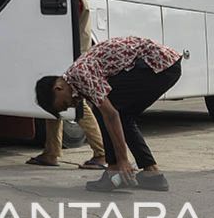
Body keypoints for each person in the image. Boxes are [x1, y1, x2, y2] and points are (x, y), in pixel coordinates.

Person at [35, 35, 182, 192]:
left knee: (110, 111)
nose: (71, 106)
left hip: (157, 63)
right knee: (122, 115)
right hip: (163, 65)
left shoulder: (79, 75)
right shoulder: (77, 77)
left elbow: (111, 115)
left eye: (65, 104)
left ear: (58, 88)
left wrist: (123, 160)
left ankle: (115, 170)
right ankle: (152, 174)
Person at [26, 0, 107, 169]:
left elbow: (63, 24)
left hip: (69, 54)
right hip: (64, 52)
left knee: (79, 105)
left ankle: (101, 154)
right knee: (52, 100)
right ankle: (52, 152)